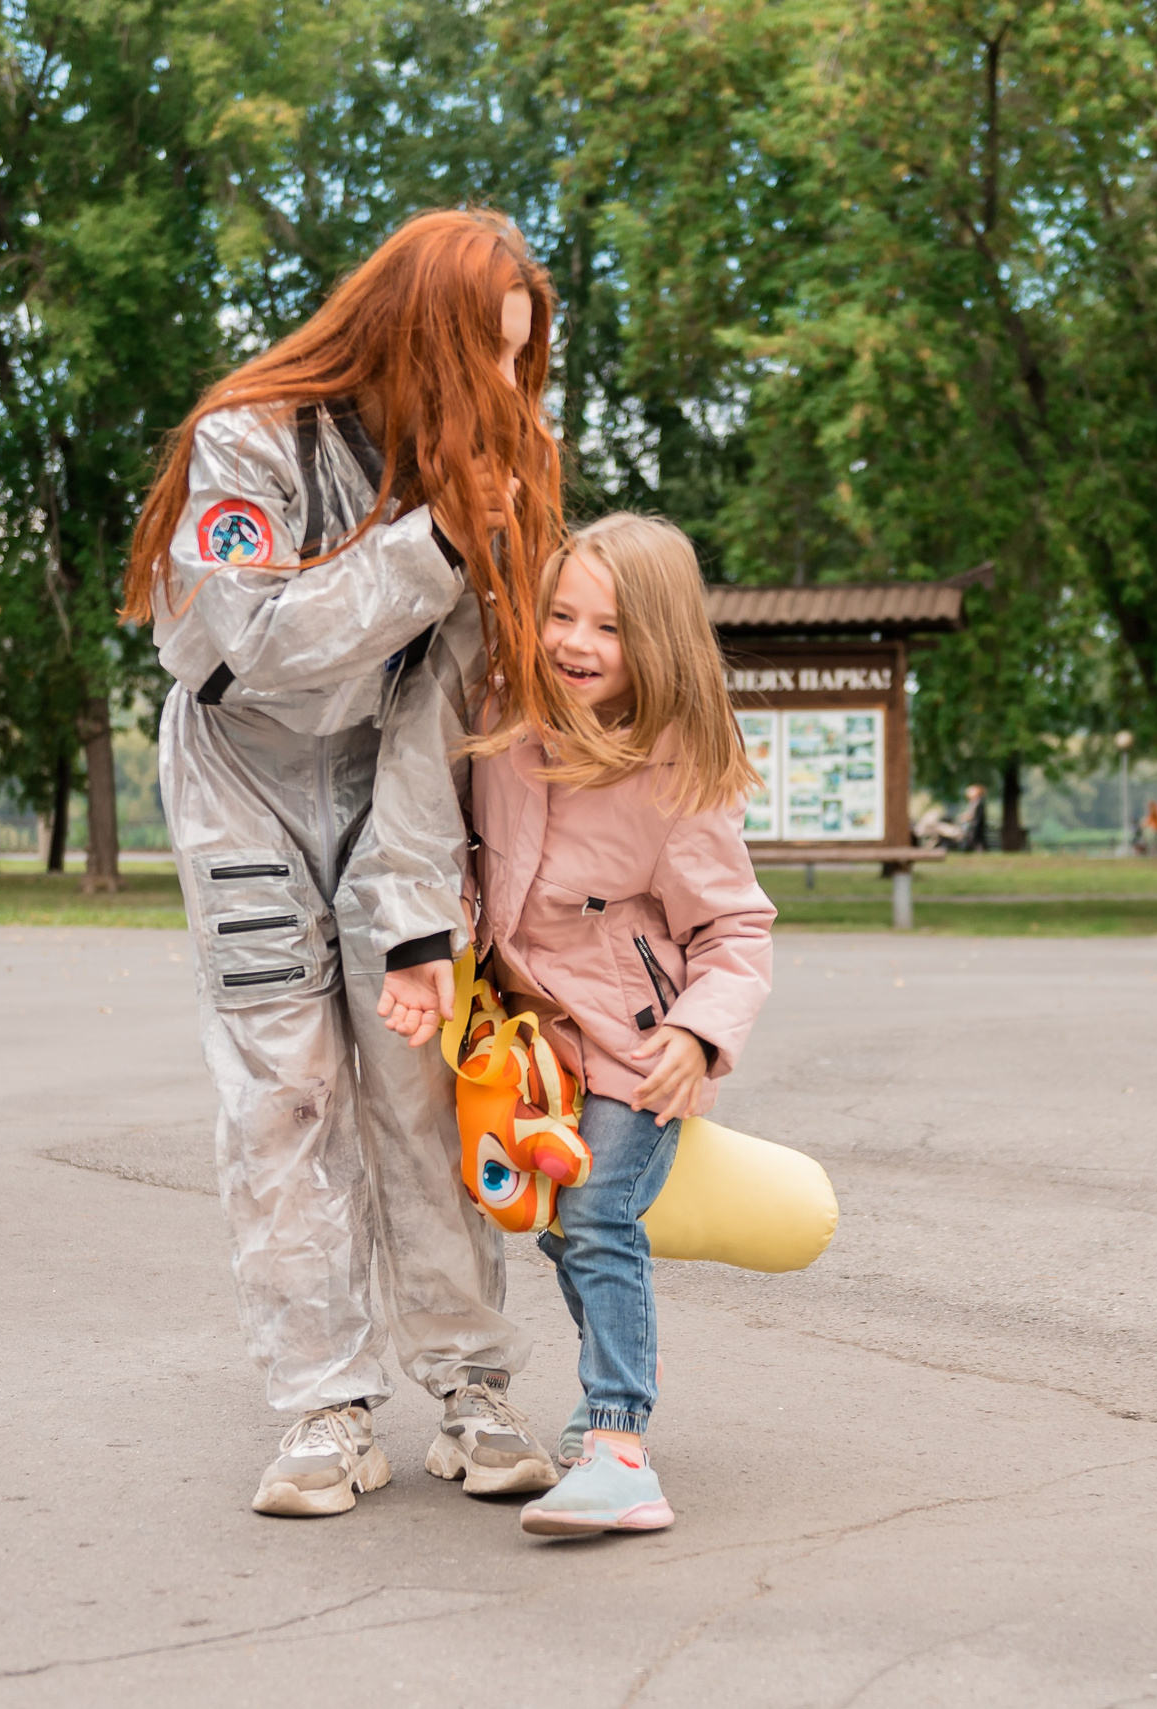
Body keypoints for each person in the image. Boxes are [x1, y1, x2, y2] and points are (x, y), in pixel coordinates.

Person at [121, 209, 568, 1518]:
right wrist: (428, 547)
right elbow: (232, 650)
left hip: (396, 799)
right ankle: (324, 1404)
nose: (505, 383)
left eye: (520, 359)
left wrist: (421, 910)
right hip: (242, 799)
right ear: (418, 328)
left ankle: (473, 1387)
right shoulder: (248, 443)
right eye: (486, 352)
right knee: (284, 1102)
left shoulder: (479, 470)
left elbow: (445, 709)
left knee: (423, 1093)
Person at [419, 512, 774, 1537]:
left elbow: (736, 924)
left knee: (599, 1217)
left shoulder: (675, 772)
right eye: (560, 614)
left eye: (607, 627)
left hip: (633, 1048)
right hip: (534, 1047)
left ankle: (621, 1446)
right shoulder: (507, 717)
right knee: (557, 1232)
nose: (574, 642)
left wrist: (700, 1034)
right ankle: (601, 1406)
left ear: (655, 642)